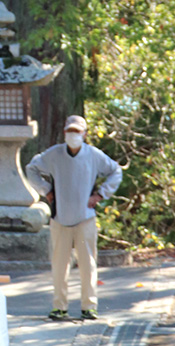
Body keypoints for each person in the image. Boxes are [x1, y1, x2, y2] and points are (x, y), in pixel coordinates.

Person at [26, 115, 122, 321]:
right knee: (59, 265)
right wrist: (46, 190)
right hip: (60, 217)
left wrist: (100, 194)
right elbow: (31, 168)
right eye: (70, 131)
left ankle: (89, 306)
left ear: (85, 134)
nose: (73, 135)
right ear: (64, 133)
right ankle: (59, 306)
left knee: (88, 264)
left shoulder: (94, 155)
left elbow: (116, 171)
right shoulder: (54, 154)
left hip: (85, 217)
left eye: (77, 132)